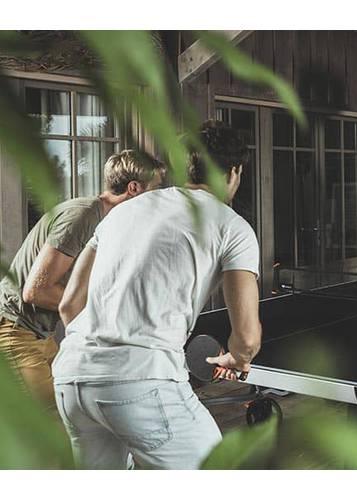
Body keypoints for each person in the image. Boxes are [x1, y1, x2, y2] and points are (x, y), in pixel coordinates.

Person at [51, 121, 262, 470]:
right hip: (142, 381)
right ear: (233, 171)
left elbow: (69, 304)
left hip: (72, 380)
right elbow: (248, 338)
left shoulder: (121, 212)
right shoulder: (232, 226)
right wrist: (238, 359)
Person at [0, 150, 165, 408]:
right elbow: (36, 291)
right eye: (156, 190)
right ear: (134, 188)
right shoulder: (83, 215)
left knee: (73, 406)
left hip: (39, 334)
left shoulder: (106, 222)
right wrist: (104, 311)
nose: (159, 199)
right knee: (54, 415)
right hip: (14, 330)